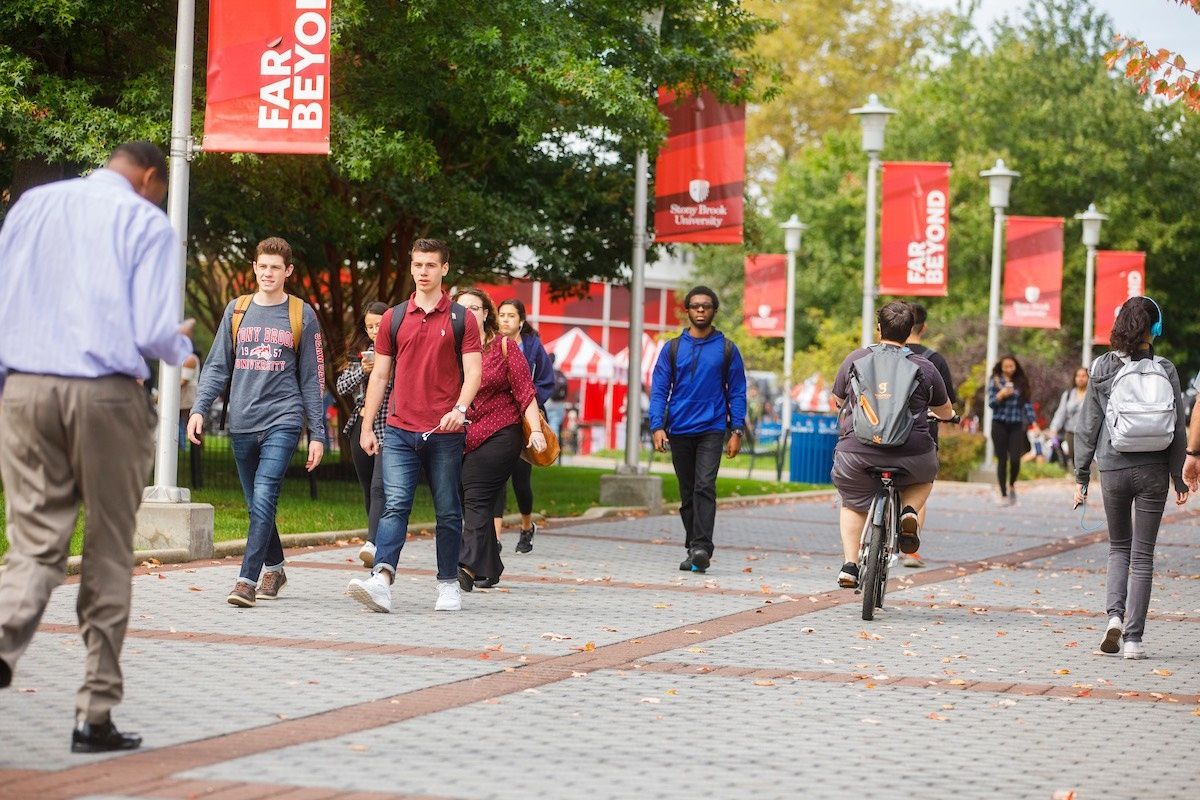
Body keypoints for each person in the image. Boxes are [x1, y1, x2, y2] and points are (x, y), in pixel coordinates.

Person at [0, 141, 194, 752]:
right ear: (150, 177)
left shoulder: (32, 205)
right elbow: (151, 331)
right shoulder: (146, 222)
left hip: (25, 388)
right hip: (106, 396)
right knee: (109, 549)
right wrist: (179, 348)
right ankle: (94, 714)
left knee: (32, 546)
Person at [188, 237, 327, 608]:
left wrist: (317, 433)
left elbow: (313, 378)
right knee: (256, 504)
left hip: (283, 417)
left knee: (265, 495)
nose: (268, 273)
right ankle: (276, 567)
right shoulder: (238, 310)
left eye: (276, 268)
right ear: (254, 267)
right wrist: (200, 408)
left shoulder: (302, 314)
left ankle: (246, 580)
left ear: (288, 271)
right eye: (263, 266)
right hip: (243, 420)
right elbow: (218, 365)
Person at [346, 238, 483, 613]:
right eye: (417, 264)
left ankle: (448, 584)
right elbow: (379, 376)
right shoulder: (394, 317)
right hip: (400, 428)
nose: (422, 272)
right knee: (395, 505)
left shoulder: (461, 318)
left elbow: (474, 372)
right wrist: (366, 424)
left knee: (448, 510)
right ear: (411, 267)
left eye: (430, 265)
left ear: (444, 269)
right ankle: (382, 580)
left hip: (445, 430)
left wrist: (460, 407)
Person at [1074, 296, 1187, 660]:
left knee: (1119, 547)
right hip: (1154, 471)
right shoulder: (1166, 369)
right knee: (1144, 556)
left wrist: (1081, 475)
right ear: (1155, 329)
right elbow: (1179, 426)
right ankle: (1134, 641)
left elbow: (1087, 426)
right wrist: (1178, 476)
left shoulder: (1101, 368)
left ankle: (1114, 618)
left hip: (1113, 468)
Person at [831, 301, 954, 589]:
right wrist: (949, 416)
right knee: (924, 477)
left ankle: (850, 566)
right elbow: (945, 409)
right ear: (910, 331)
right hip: (911, 453)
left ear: (878, 329)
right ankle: (909, 511)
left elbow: (838, 400)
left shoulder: (855, 359)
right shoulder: (925, 366)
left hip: (858, 452)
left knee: (852, 502)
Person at [648, 286, 747, 574]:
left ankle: (702, 546)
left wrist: (736, 429)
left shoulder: (727, 349)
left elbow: (737, 391)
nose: (700, 310)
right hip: (679, 428)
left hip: (712, 428)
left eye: (706, 306)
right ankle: (694, 548)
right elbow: (659, 390)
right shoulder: (672, 348)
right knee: (687, 492)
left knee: (704, 486)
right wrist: (657, 425)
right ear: (688, 311)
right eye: (695, 306)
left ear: (714, 310)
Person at [456, 290, 547, 589]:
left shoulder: (504, 346)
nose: (468, 313)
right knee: (465, 496)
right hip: (462, 434)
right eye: (462, 308)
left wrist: (534, 430)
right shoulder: (448, 349)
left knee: (476, 493)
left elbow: (525, 392)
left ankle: (467, 565)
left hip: (500, 432)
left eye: (475, 308)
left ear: (486, 314)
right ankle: (491, 566)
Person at [491, 298, 555, 554]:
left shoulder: (533, 347)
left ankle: (527, 526)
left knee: (520, 481)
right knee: (496, 480)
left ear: (521, 321)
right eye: (501, 315)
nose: (505, 319)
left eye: (511, 315)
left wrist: (526, 401)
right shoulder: (491, 343)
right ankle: (493, 541)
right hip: (497, 418)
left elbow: (546, 382)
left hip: (525, 423)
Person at [335, 301, 392, 567]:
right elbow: (341, 386)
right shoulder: (361, 353)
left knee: (381, 486)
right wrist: (363, 370)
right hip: (361, 424)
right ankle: (377, 541)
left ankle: (373, 541)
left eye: (378, 325)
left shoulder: (399, 350)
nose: (373, 331)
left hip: (388, 424)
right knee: (368, 486)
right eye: (369, 326)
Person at [902, 302, 959, 568]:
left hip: (877, 435)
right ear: (923, 327)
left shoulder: (878, 355)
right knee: (917, 488)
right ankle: (910, 551)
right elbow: (947, 403)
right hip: (921, 436)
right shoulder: (933, 360)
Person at [987, 355, 1037, 505]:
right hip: (999, 424)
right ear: (1001, 367)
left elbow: (1027, 404)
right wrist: (1000, 395)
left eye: (1011, 366)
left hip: (1016, 425)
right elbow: (990, 403)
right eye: (1006, 366)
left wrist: (1033, 422)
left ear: (1016, 367)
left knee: (1015, 459)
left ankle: (1012, 484)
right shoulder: (995, 380)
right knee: (1002, 459)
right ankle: (1003, 493)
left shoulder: (1021, 382)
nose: (1009, 369)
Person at [1051, 367, 1089, 463]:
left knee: (1085, 457)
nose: (1080, 378)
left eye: (1084, 376)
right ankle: (1078, 475)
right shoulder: (1068, 395)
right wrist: (1054, 428)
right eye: (1078, 376)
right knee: (1073, 457)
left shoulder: (1092, 395)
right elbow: (1061, 412)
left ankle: (1086, 476)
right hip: (1071, 432)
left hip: (1087, 433)